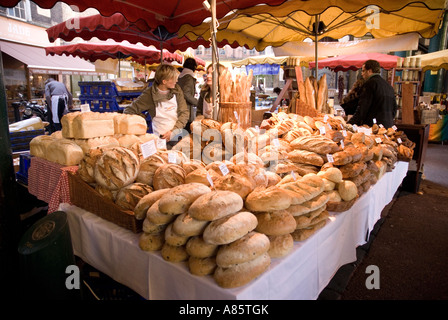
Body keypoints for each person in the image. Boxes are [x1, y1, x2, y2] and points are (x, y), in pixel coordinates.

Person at [124, 64, 189, 144]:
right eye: (173, 78)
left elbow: (184, 113)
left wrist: (173, 131)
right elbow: (129, 110)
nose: (177, 81)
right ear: (164, 81)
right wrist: (142, 121)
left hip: (178, 136)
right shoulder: (149, 94)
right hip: (160, 139)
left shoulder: (177, 90)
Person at [348, 59, 398, 128]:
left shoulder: (369, 84)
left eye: (363, 71)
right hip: (388, 126)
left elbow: (363, 108)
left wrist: (350, 123)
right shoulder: (388, 86)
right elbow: (394, 108)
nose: (362, 74)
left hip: (373, 127)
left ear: (370, 71)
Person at [177, 57, 198, 130]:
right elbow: (186, 93)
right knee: (186, 130)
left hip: (179, 107)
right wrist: (197, 102)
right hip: (185, 108)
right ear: (194, 67)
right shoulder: (188, 77)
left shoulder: (180, 76)